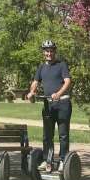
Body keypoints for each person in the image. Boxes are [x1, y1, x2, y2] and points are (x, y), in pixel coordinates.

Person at [26, 40, 72, 172]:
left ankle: (63, 160)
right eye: (47, 51)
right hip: (48, 105)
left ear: (54, 52)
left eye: (51, 50)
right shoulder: (41, 67)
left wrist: (58, 93)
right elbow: (35, 82)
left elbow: (67, 81)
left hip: (62, 103)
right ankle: (48, 160)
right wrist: (32, 92)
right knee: (47, 135)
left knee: (63, 134)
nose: (49, 53)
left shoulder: (61, 65)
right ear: (43, 53)